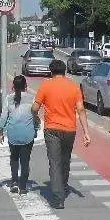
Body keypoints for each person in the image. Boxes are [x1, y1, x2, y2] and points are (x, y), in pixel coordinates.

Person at [32, 58, 91, 209]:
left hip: (52, 129)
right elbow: (81, 109)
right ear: (65, 71)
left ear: (51, 72)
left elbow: (35, 107)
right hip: (70, 130)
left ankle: (58, 198)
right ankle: (63, 185)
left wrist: (35, 117)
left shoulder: (46, 86)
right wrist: (86, 132)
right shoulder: (74, 87)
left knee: (55, 162)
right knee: (65, 160)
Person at [0, 75, 37, 194]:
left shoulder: (8, 99)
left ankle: (14, 182)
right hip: (27, 134)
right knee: (25, 161)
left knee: (14, 158)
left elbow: (3, 117)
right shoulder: (32, 98)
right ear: (26, 86)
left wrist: (1, 132)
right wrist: (36, 129)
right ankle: (23, 187)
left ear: (13, 87)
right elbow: (35, 116)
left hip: (13, 134)